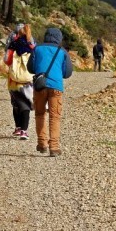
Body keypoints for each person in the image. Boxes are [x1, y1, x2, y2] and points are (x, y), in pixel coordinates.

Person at [27, 27, 73, 157]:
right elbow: (68, 73)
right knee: (55, 116)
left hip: (40, 85)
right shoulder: (62, 51)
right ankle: (54, 147)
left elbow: (30, 68)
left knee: (40, 113)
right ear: (59, 38)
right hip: (56, 87)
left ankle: (42, 144)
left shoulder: (37, 49)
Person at [6, 24, 35, 140]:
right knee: (26, 105)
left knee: (16, 104)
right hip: (27, 80)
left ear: (17, 34)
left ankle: (18, 128)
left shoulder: (12, 45)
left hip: (13, 80)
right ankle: (24, 130)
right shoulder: (32, 47)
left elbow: (6, 60)